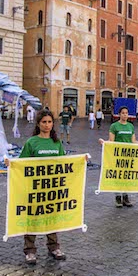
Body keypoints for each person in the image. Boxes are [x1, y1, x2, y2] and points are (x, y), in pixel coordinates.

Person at [16, 110, 87, 264]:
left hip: (52, 188)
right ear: (38, 124)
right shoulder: (32, 142)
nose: (47, 125)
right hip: (35, 188)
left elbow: (63, 163)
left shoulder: (56, 143)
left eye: (49, 122)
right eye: (44, 122)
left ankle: (53, 247)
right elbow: (22, 164)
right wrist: (11, 164)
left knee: (51, 218)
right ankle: (30, 250)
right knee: (33, 218)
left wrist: (81, 161)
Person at [108, 106, 138, 208]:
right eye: (123, 113)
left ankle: (126, 197)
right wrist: (104, 144)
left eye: (126, 113)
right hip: (118, 156)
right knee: (118, 177)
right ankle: (118, 197)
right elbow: (111, 142)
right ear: (119, 114)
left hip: (129, 156)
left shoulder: (130, 126)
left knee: (127, 176)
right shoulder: (114, 126)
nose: (125, 115)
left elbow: (133, 141)